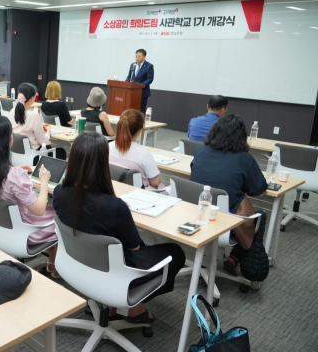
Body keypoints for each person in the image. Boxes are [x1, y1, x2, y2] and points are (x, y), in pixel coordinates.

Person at [53, 132, 185, 323]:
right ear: (102, 163)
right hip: (113, 273)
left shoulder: (59, 193)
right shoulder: (114, 206)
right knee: (176, 252)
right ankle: (134, 309)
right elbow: (135, 248)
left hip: (78, 265)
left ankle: (111, 307)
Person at [0, 115, 59, 277]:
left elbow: (2, 180)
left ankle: (50, 262)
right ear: (6, 141)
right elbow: (39, 210)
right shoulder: (15, 176)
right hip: (24, 228)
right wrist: (44, 181)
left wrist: (14, 169)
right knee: (61, 214)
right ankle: (54, 265)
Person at [190, 114, 267, 276]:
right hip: (224, 225)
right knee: (259, 217)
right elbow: (259, 192)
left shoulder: (200, 150)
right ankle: (234, 257)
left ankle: (222, 258)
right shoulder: (245, 159)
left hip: (195, 215)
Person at [9, 82, 66, 161]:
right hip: (34, 156)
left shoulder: (12, 112)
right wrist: (48, 132)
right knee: (61, 152)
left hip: (15, 155)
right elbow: (43, 141)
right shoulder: (34, 116)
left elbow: (23, 126)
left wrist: (39, 126)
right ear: (32, 98)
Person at [108, 109, 163, 190]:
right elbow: (155, 183)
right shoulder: (144, 154)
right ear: (140, 131)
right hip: (138, 195)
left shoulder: (107, 147)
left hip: (113, 190)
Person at [125, 49, 154, 114]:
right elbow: (129, 76)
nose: (137, 58)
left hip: (142, 92)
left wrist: (140, 86)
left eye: (139, 56)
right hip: (131, 92)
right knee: (130, 110)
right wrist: (125, 84)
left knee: (140, 111)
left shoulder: (149, 66)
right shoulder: (133, 65)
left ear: (144, 57)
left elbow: (150, 79)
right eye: (136, 56)